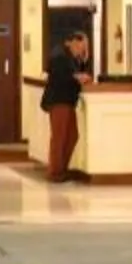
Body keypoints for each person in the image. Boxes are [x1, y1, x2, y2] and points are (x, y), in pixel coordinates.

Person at [43, 30, 93, 182]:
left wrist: (84, 59)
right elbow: (60, 76)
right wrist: (77, 77)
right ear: (73, 42)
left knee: (71, 135)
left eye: (85, 48)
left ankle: (61, 168)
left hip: (67, 101)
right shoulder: (60, 56)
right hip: (59, 100)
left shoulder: (72, 58)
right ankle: (55, 171)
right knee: (60, 136)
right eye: (81, 46)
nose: (82, 50)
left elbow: (77, 72)